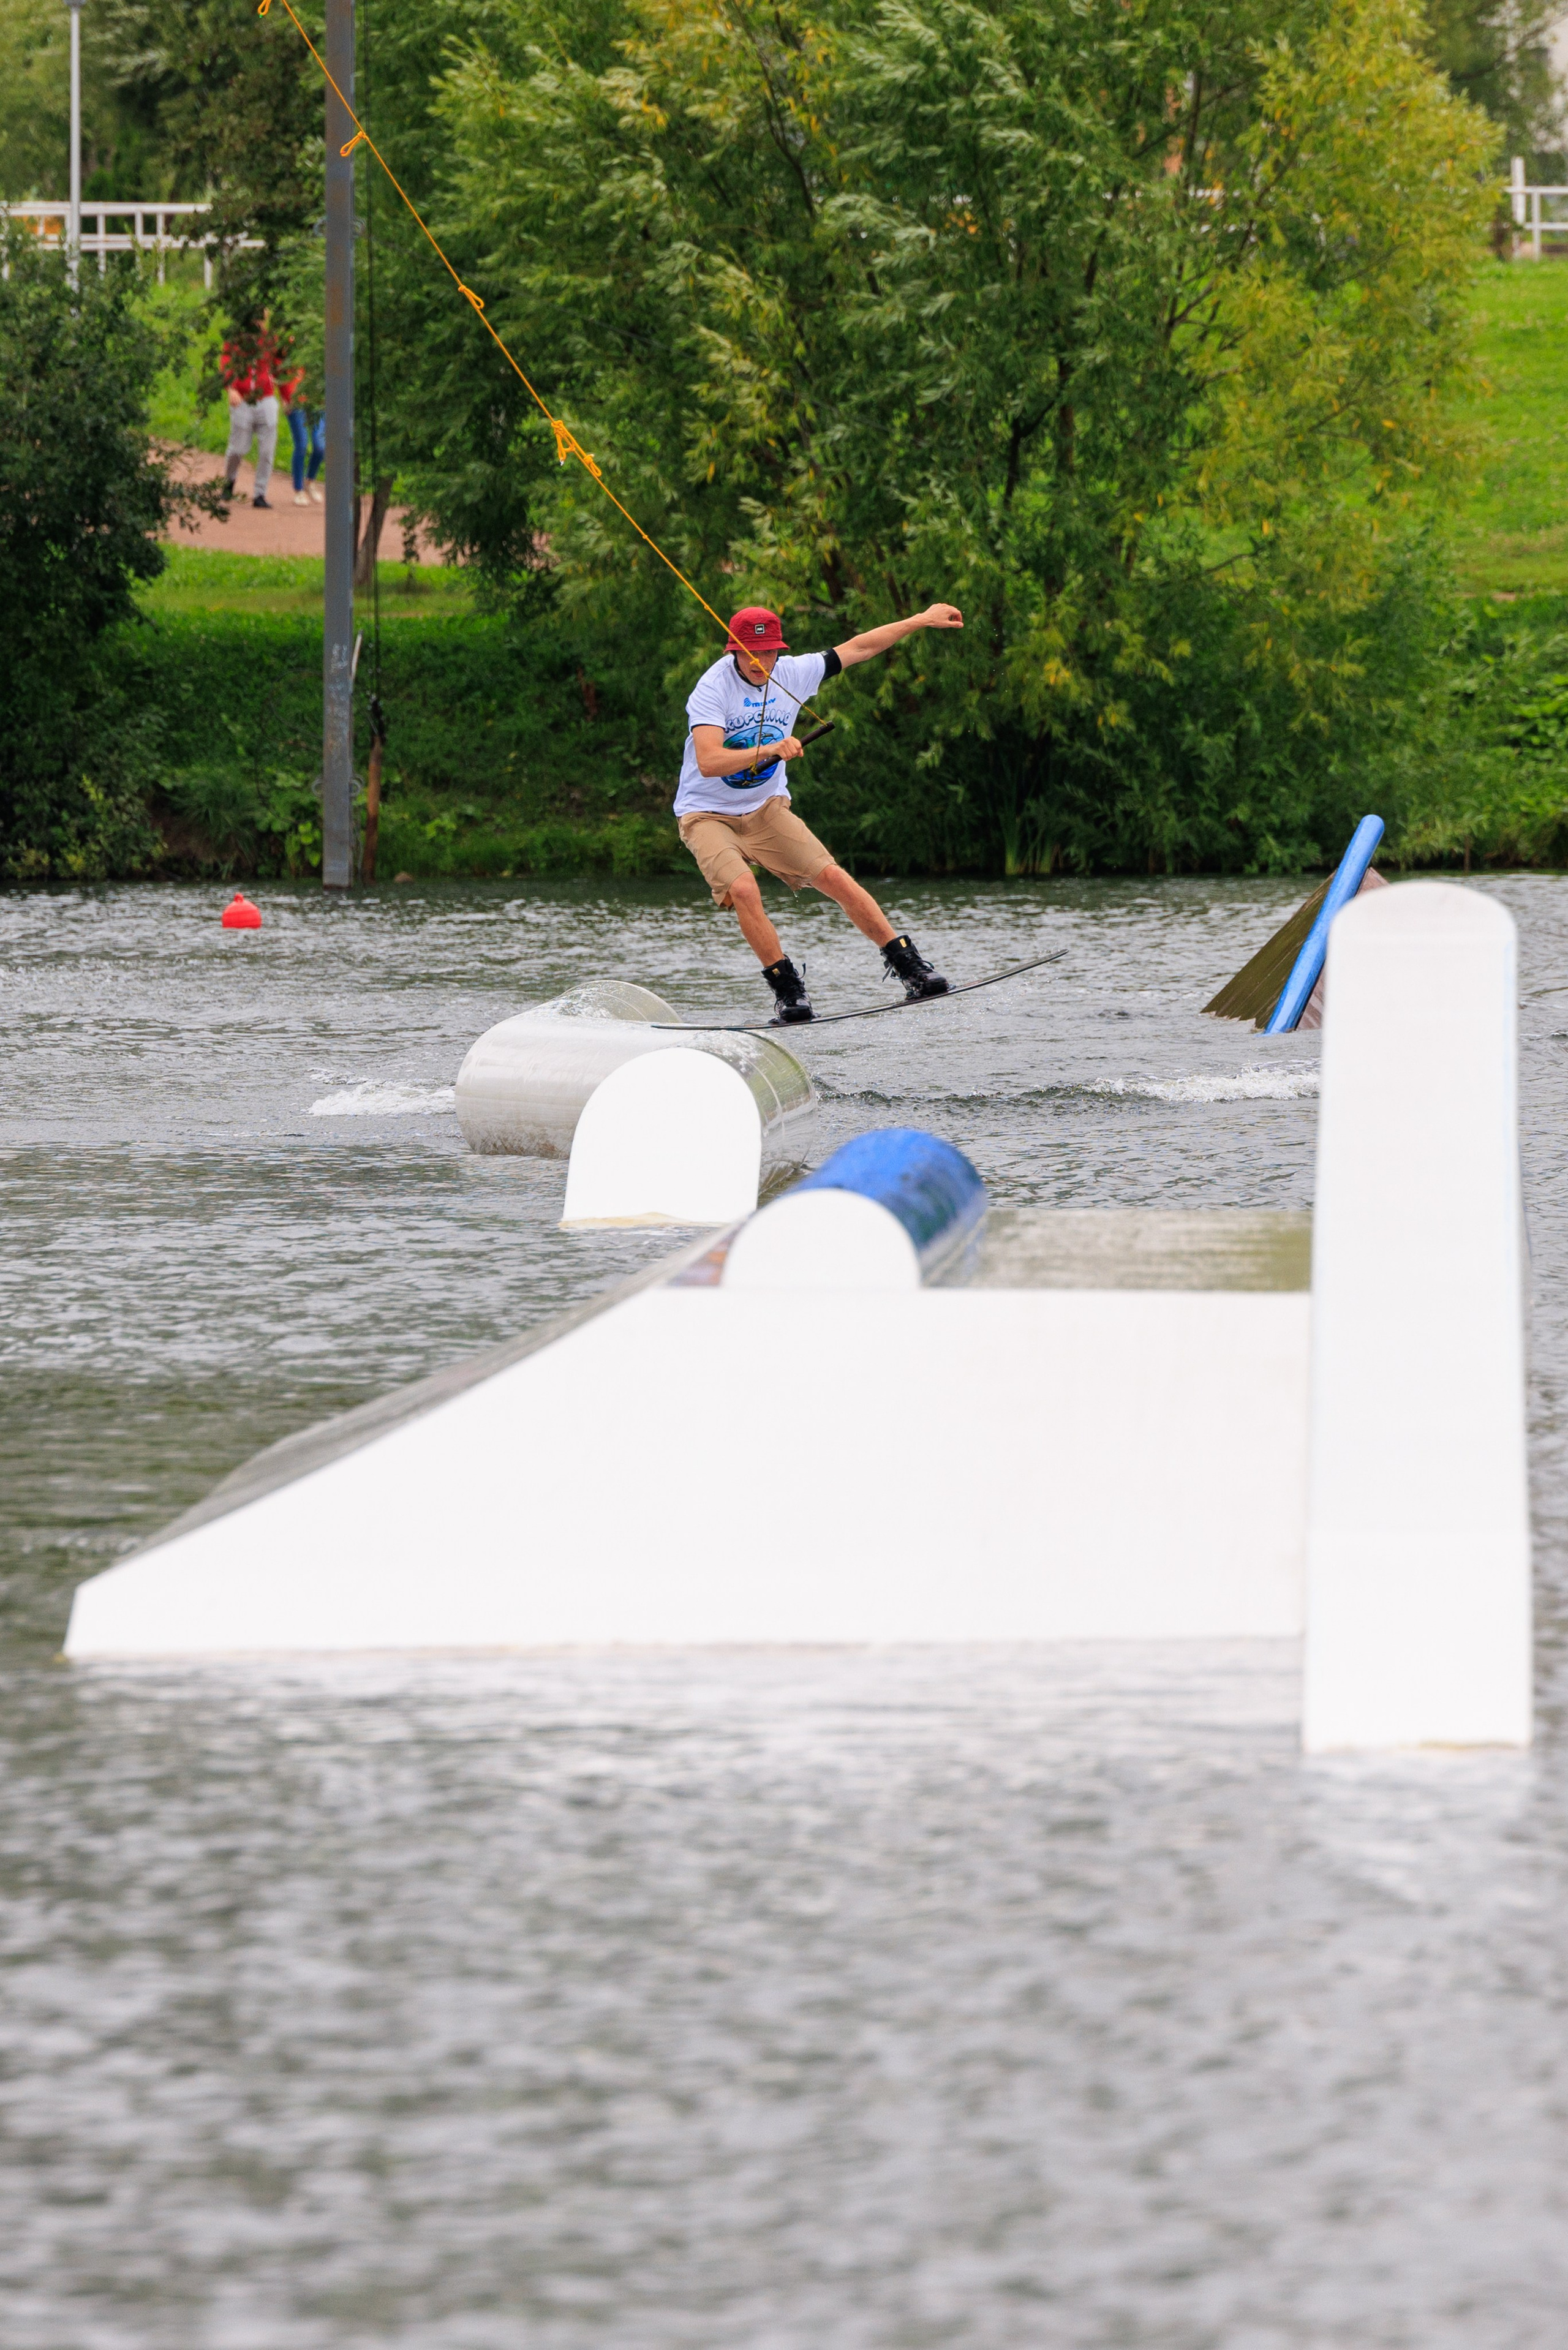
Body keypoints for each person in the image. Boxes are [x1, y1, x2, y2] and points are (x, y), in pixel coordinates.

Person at [676, 603, 964, 1022]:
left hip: (766, 809)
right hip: (706, 815)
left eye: (769, 652)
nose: (761, 662)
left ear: (779, 651)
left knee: (833, 876)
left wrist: (919, 620)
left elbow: (860, 647)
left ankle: (911, 968)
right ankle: (789, 993)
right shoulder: (712, 688)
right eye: (751, 653)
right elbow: (708, 761)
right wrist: (771, 749)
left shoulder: (794, 672)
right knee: (743, 890)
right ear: (734, 651)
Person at [219, 314, 285, 511]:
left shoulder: (271, 339)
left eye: (263, 317)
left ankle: (260, 493)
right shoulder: (236, 340)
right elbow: (226, 364)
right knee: (238, 449)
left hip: (266, 398)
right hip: (243, 399)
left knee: (267, 450)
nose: (260, 322)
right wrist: (231, 388)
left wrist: (290, 396)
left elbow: (281, 366)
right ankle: (229, 481)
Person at [284, 369, 325, 508]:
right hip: (295, 403)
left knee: (320, 446)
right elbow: (280, 370)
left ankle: (310, 481)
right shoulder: (288, 349)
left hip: (317, 403)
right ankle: (299, 490)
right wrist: (285, 398)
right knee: (302, 445)